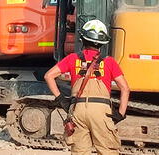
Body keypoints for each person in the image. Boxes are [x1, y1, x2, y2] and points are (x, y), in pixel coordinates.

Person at [44, 20, 130, 155]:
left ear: (82, 39)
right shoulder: (109, 62)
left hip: (78, 109)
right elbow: (125, 88)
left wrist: (60, 99)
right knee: (108, 151)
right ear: (102, 43)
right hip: (101, 111)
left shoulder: (72, 58)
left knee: (80, 152)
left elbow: (49, 76)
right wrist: (120, 114)